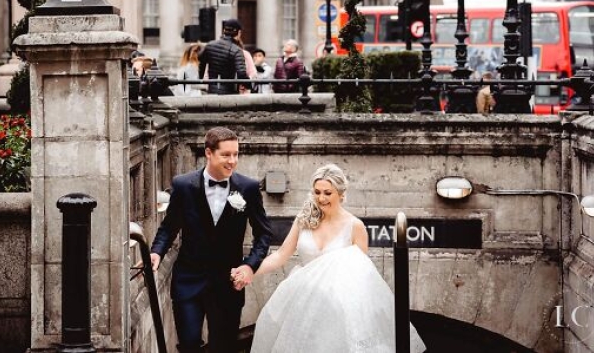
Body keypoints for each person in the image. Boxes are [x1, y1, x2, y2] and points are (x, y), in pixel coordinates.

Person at [250, 164, 426, 353]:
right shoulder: (304, 219)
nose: (321, 198)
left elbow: (362, 278)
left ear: (341, 194)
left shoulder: (355, 226)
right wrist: (248, 270)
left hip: (337, 310)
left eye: (328, 193)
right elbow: (280, 255)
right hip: (301, 304)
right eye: (317, 192)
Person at [150, 127, 273, 353]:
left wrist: (249, 265)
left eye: (236, 154)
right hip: (188, 280)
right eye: (226, 155)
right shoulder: (183, 185)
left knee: (224, 347)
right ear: (208, 153)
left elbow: (264, 234)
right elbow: (169, 227)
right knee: (188, 345)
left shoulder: (248, 188)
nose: (232, 161)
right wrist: (156, 251)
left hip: (228, 283)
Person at [198, 19, 251, 95]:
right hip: (229, 91)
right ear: (238, 33)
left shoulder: (210, 45)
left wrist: (200, 78)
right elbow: (241, 73)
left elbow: (201, 63)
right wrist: (249, 85)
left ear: (224, 31)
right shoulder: (237, 50)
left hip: (212, 89)